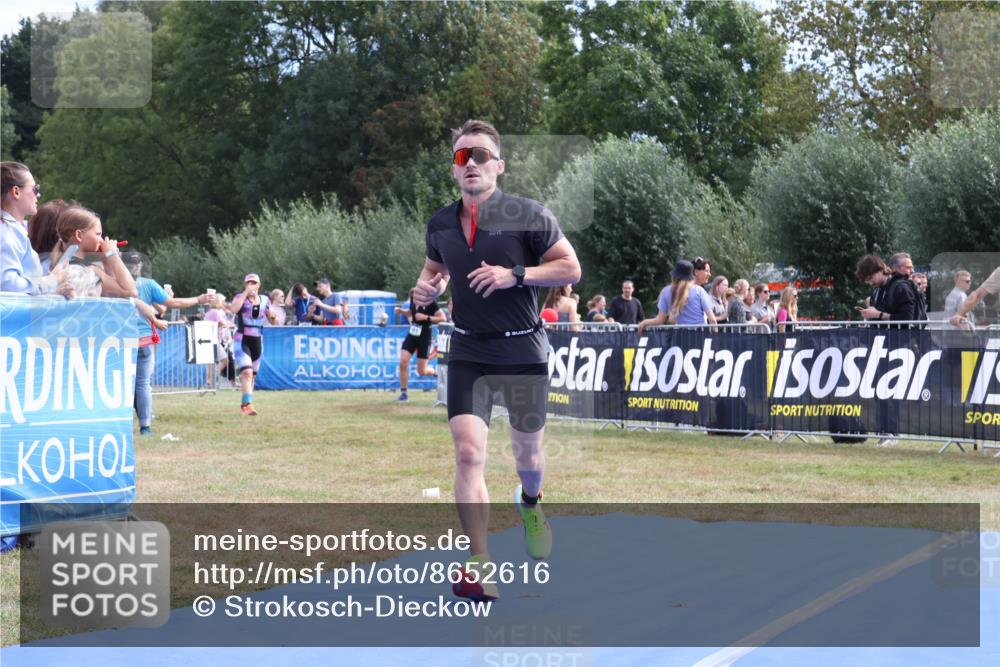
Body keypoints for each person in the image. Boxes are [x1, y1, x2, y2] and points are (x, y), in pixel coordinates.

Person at [411, 119, 581, 601]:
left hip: (521, 347)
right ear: (453, 167)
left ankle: (530, 503)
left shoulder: (528, 214)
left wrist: (517, 275)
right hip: (468, 348)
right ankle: (479, 562)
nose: (471, 164)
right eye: (462, 156)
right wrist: (425, 289)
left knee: (528, 456)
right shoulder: (441, 224)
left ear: (499, 166)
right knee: (468, 452)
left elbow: (571, 267)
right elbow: (433, 275)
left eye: (480, 155)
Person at [122, 251, 211, 434]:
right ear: (139, 266)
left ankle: (122, 422)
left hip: (121, 339)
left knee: (125, 383)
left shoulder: (114, 284)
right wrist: (199, 299)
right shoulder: (148, 284)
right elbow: (173, 303)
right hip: (144, 339)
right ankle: (145, 426)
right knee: (143, 383)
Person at [1, 161, 68, 294]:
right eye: (35, 189)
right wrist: (52, 281)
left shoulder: (11, 230)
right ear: (16, 192)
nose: (38, 195)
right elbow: (7, 286)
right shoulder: (5, 232)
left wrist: (54, 292)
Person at [48, 205, 137, 298]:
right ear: (79, 235)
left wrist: (106, 260)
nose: (101, 240)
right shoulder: (90, 270)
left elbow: (111, 293)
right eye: (98, 234)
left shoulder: (61, 267)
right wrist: (112, 254)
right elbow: (131, 292)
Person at [226, 273, 278, 415]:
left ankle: (245, 404)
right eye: (249, 283)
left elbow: (273, 320)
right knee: (247, 372)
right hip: (242, 340)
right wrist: (245, 293)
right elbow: (233, 309)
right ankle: (249, 405)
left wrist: (274, 318)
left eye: (254, 283)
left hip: (257, 340)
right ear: (245, 285)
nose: (252, 285)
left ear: (259, 285)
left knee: (252, 376)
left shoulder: (265, 300)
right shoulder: (240, 297)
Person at [637, 260, 717, 334]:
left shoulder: (666, 291)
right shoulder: (699, 291)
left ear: (674, 275)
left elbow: (660, 320)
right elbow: (712, 319)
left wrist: (644, 322)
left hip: (680, 337)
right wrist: (715, 334)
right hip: (700, 337)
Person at [395, 289, 446, 401]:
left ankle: (434, 372)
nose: (415, 296)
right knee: (403, 362)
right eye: (413, 295)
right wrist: (401, 311)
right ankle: (404, 394)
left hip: (425, 335)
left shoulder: (431, 303)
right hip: (412, 333)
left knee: (421, 371)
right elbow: (410, 312)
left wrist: (426, 318)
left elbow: (443, 318)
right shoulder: (413, 299)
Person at [203, 293, 236, 385]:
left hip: (209, 339)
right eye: (222, 302)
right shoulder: (215, 312)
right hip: (213, 339)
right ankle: (213, 377)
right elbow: (223, 323)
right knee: (225, 359)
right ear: (218, 302)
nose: (224, 303)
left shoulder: (210, 312)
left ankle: (209, 381)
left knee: (210, 363)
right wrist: (232, 325)